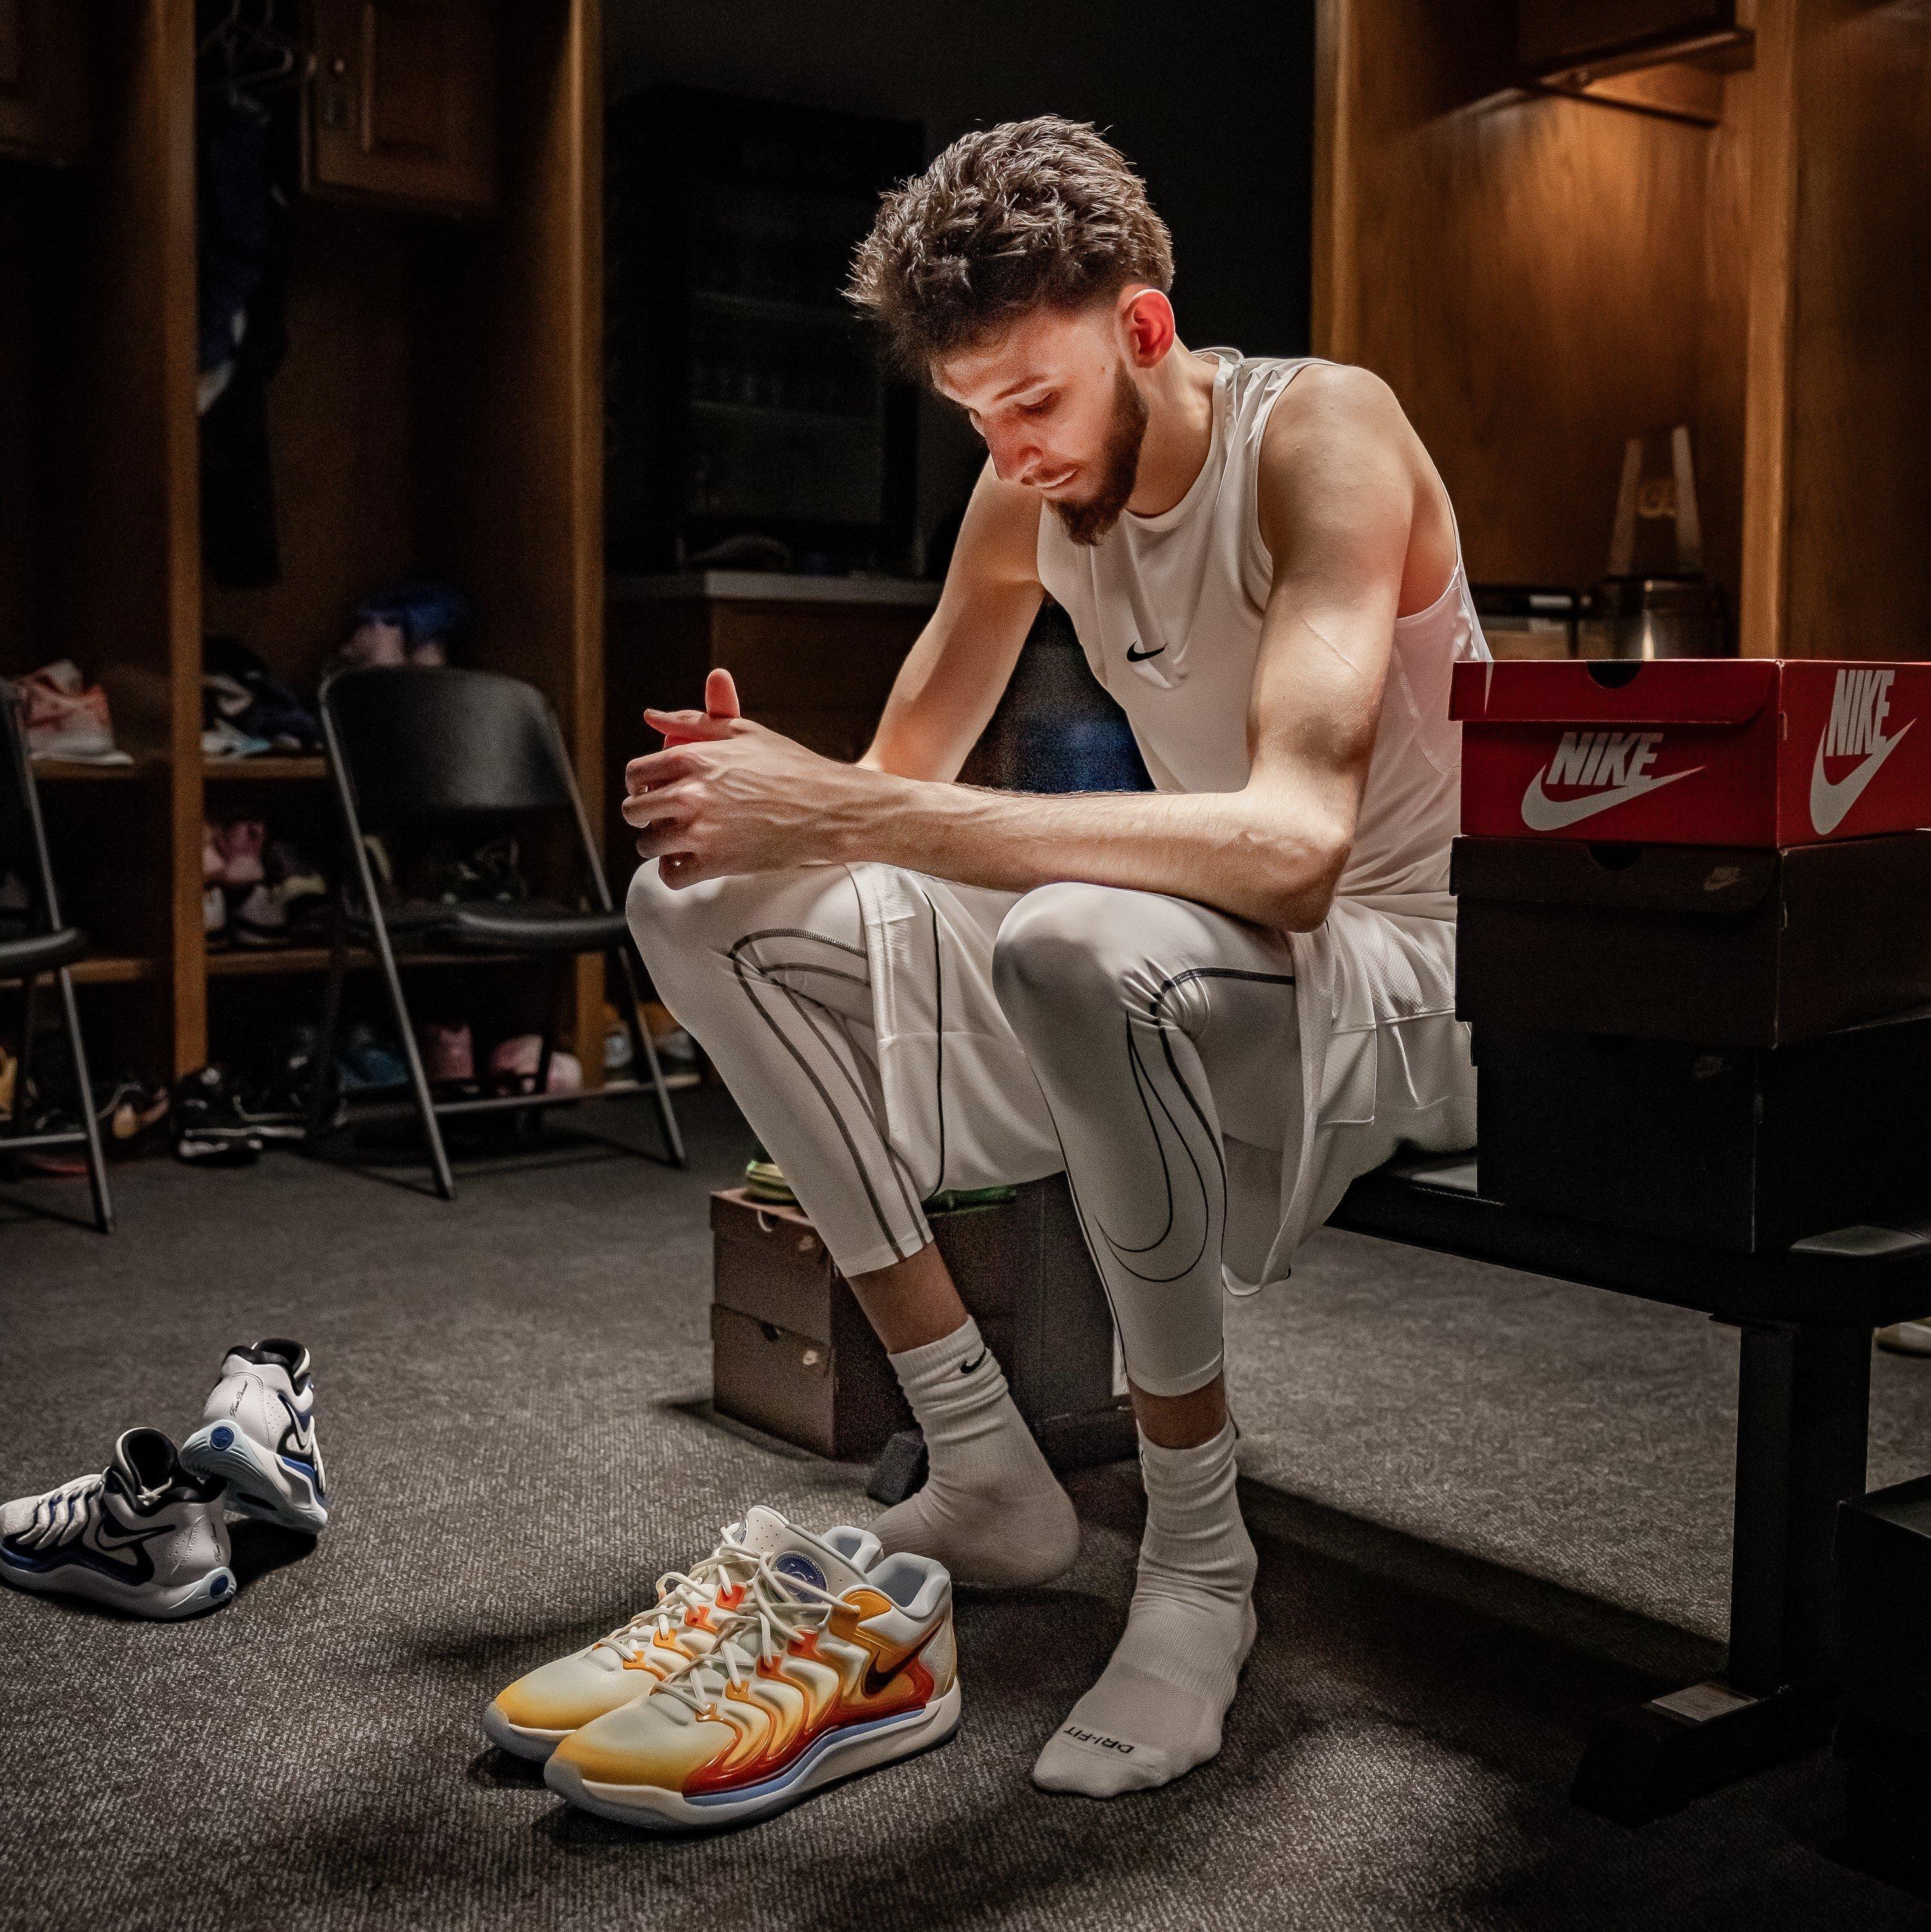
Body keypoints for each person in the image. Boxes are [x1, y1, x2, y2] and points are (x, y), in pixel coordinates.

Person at [623, 115, 1485, 1798]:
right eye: (973, 415)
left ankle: (1201, 1565)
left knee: (1079, 936)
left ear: (1144, 327)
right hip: (1201, 954)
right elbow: (897, 790)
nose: (1008, 449)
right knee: (695, 904)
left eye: (1032, 400)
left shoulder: (1328, 435)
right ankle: (984, 1463)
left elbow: (1296, 850)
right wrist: (762, 806)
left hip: (1401, 974)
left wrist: (855, 813)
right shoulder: (1025, 490)